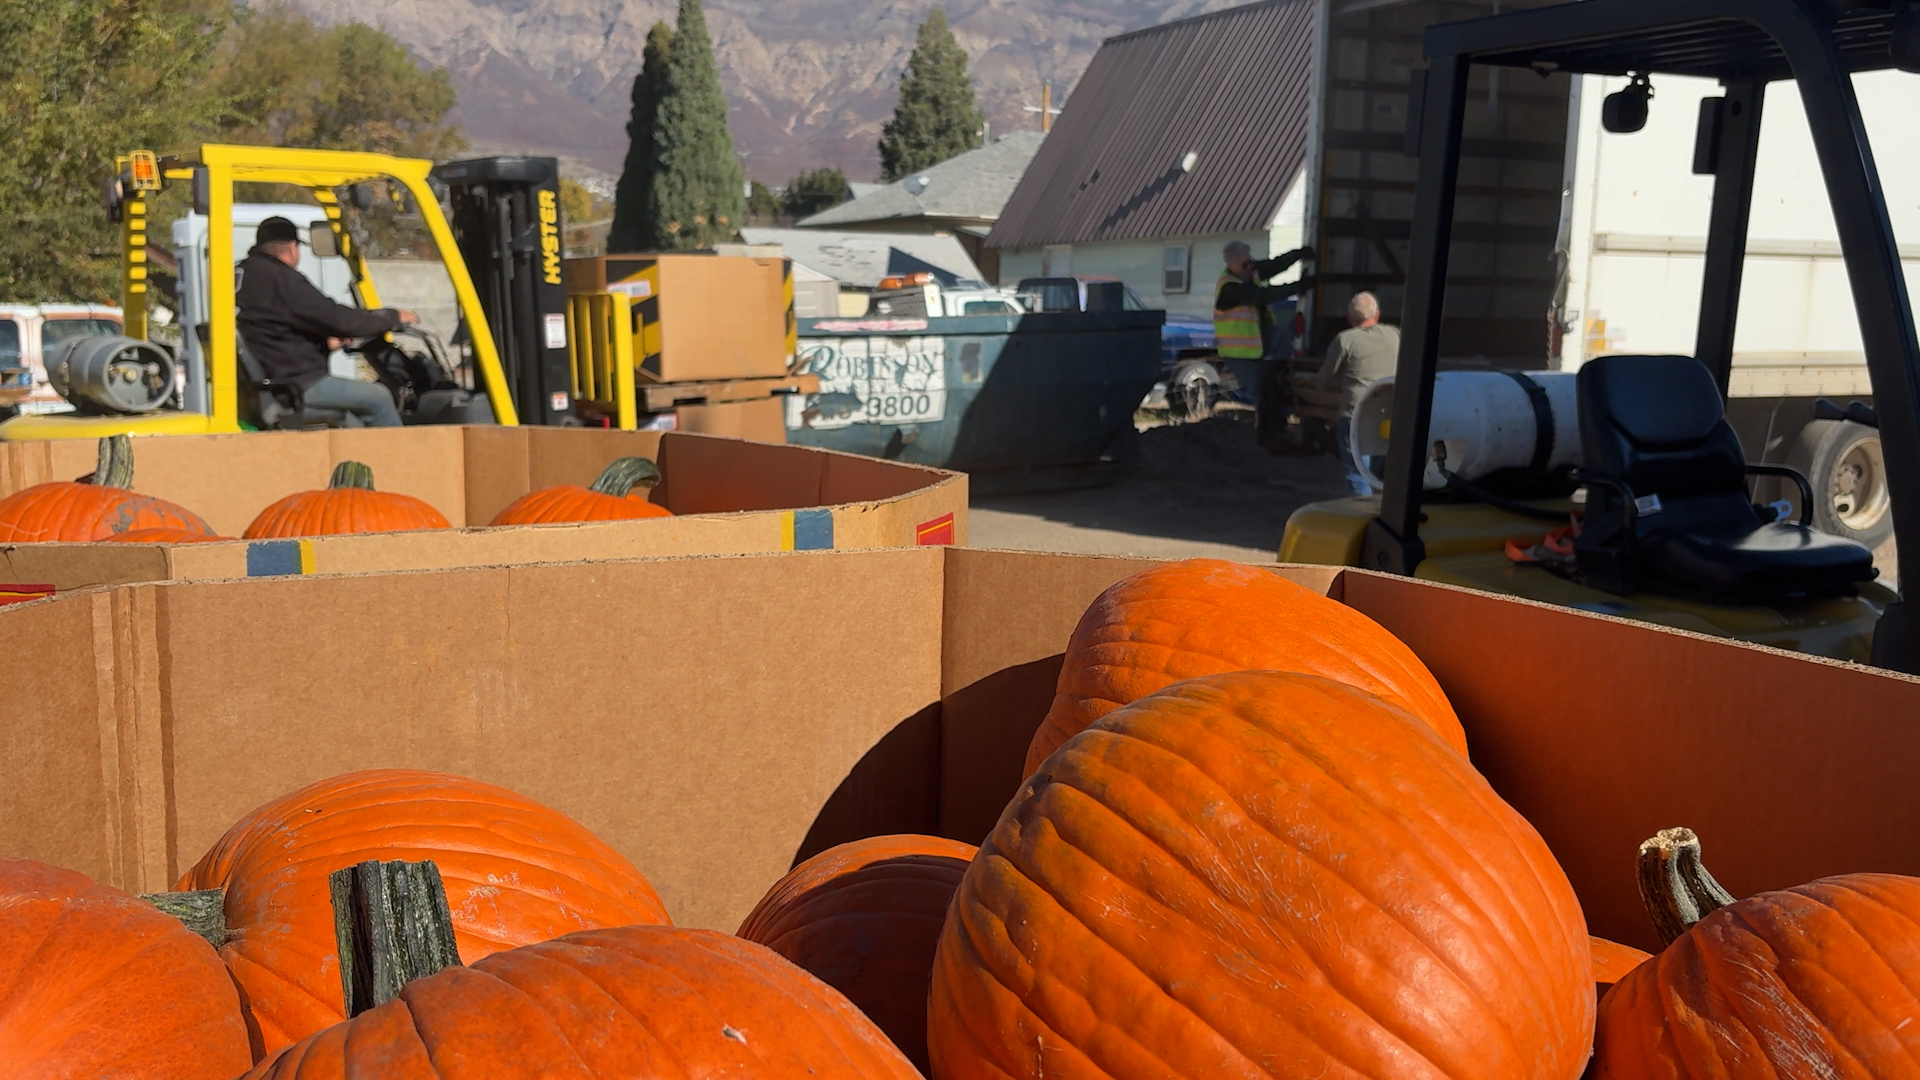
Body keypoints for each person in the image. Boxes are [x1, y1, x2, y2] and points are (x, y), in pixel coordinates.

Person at [235, 216, 418, 427]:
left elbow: (271, 328)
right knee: (379, 398)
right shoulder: (281, 279)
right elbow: (338, 319)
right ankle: (400, 460)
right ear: (293, 248)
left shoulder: (244, 275)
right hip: (294, 385)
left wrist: (326, 343)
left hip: (270, 379)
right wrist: (392, 317)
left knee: (355, 422)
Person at [1214, 240, 1314, 446]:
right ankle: (1271, 435)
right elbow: (1263, 296)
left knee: (1272, 385)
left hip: (1257, 346)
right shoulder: (1230, 288)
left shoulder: (1249, 273)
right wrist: (1298, 287)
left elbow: (1274, 265)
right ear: (1231, 266)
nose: (1250, 266)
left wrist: (1298, 254)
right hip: (1239, 353)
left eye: (1250, 261)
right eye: (1245, 264)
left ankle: (1276, 429)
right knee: (1260, 392)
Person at [1318, 290, 1400, 496]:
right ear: (1378, 314)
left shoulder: (1345, 340)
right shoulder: (1395, 335)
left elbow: (1325, 379)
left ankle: (1364, 518)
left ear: (1349, 318)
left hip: (1356, 414)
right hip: (1389, 413)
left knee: (1357, 472)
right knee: (1379, 472)